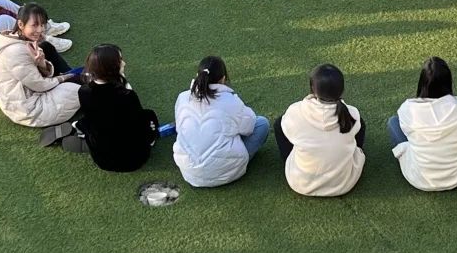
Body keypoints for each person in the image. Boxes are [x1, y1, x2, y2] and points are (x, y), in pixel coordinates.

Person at [41, 45, 160, 170]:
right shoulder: (126, 96)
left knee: (96, 121)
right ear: (111, 67)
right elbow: (138, 124)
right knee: (149, 116)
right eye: (120, 60)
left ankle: (80, 128)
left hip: (101, 159)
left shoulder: (84, 91)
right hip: (133, 160)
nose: (124, 63)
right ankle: (83, 129)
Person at [172, 56, 269, 188]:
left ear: (197, 75)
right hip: (228, 172)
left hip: (189, 172)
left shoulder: (182, 98)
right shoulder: (231, 101)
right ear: (223, 79)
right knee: (262, 124)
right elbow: (250, 126)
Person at [388, 57, 457, 192]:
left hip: (418, 178)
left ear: (422, 82)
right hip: (456, 177)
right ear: (448, 81)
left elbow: (405, 131)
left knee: (393, 122)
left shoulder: (407, 109)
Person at [274, 64, 366, 197]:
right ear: (342, 89)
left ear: (312, 88)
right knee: (360, 125)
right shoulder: (353, 114)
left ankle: (293, 162)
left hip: (301, 183)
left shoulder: (295, 111)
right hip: (343, 183)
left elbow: (282, 127)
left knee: (279, 123)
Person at [0, 3, 82, 132]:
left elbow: (35, 78)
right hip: (29, 109)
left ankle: (75, 76)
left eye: (42, 25)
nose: (40, 30)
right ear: (21, 24)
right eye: (35, 25)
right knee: (82, 86)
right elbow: (40, 85)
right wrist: (63, 78)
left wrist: (42, 65)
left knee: (47, 47)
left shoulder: (18, 39)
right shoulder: (15, 52)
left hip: (27, 94)